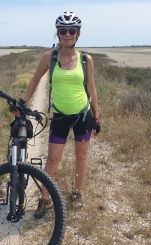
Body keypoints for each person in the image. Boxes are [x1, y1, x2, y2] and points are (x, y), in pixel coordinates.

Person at [23, 11, 101, 218]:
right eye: (63, 30)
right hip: (60, 116)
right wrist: (23, 103)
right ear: (58, 33)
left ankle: (77, 193)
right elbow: (34, 81)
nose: (68, 34)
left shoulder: (86, 59)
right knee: (53, 160)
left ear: (78, 33)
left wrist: (97, 116)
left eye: (72, 30)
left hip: (83, 115)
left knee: (81, 156)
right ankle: (45, 199)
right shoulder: (50, 57)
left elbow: (92, 89)